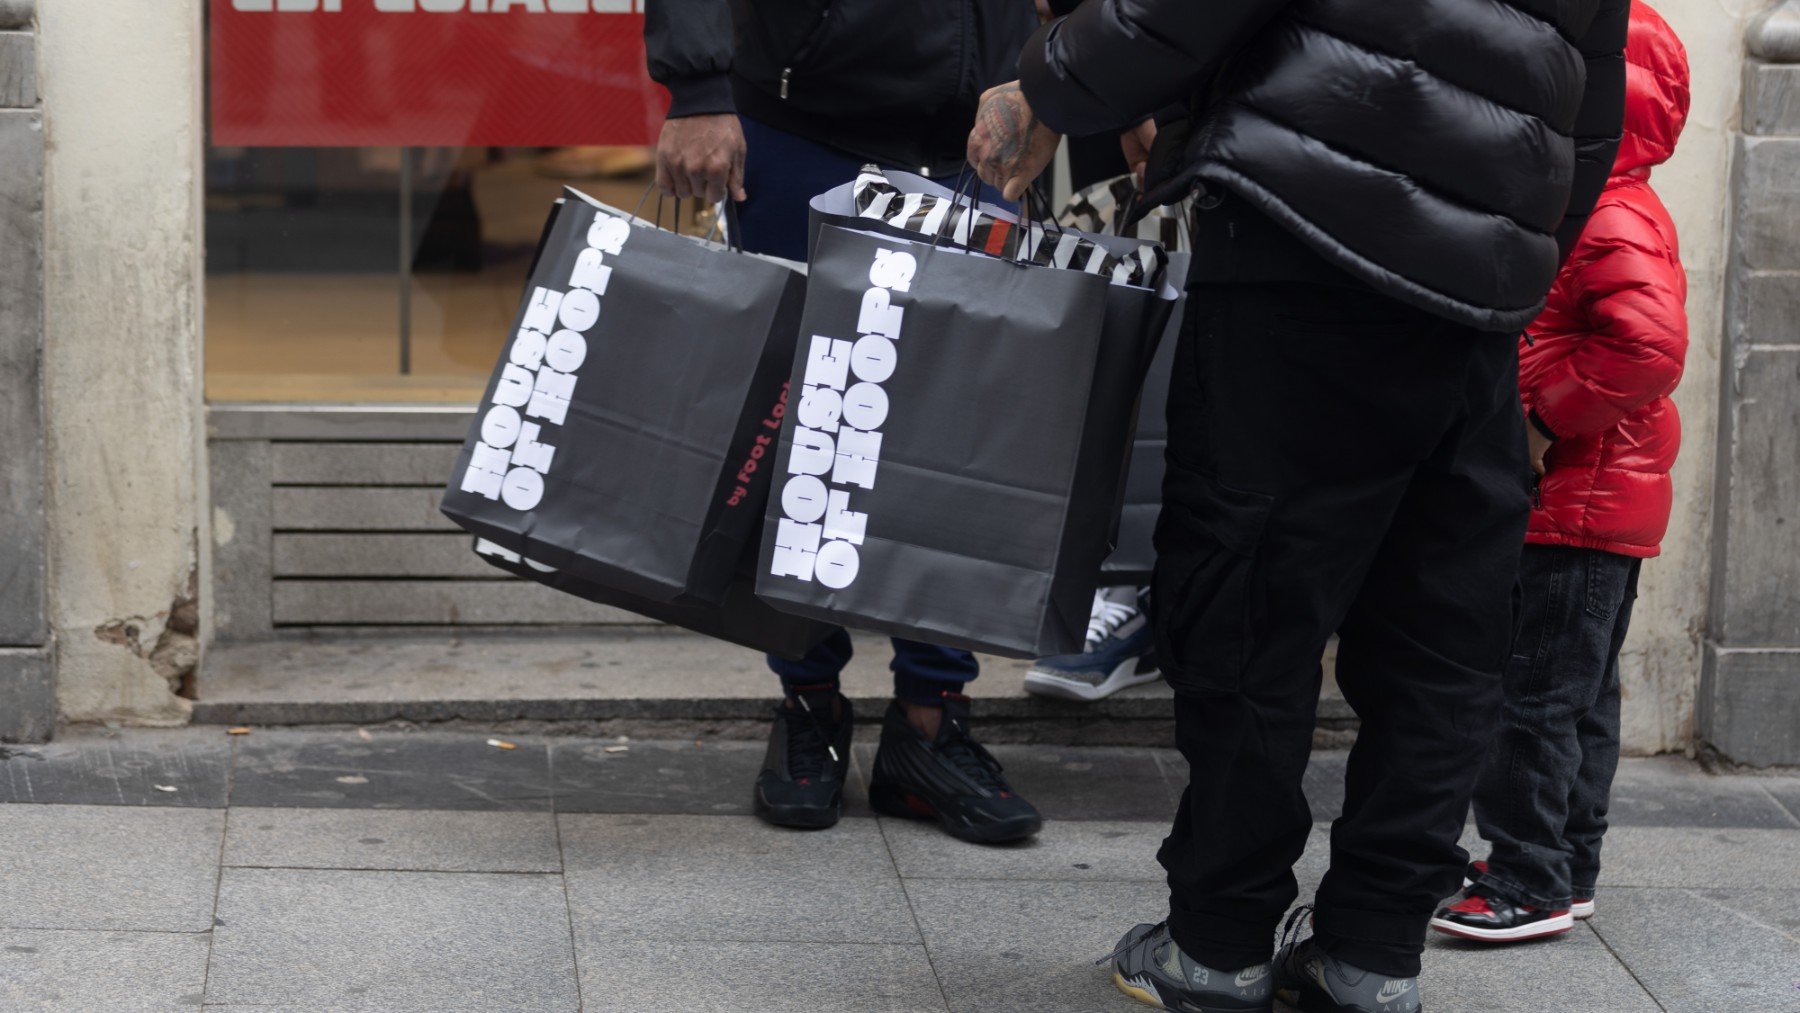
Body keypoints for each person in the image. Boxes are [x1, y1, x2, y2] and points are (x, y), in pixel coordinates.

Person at [969, 1, 1627, 1010]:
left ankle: (1220, 939)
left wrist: (1047, 80)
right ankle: (1373, 950)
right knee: (1440, 637)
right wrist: (1494, 252)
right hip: (1474, 292)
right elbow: (1591, 108)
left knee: (1246, 603)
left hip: (1303, 241)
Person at [642, 0, 1045, 844]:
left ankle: (931, 724)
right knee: (807, 423)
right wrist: (699, 87)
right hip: (805, 115)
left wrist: (1079, 76)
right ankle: (807, 703)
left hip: (984, 118)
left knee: (959, 435)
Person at [1431, 0, 1690, 944]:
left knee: (1535, 700)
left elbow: (1651, 347)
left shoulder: (1608, 209)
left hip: (1575, 497)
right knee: (1579, 701)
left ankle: (1527, 878)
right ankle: (1567, 865)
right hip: (1597, 504)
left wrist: (1542, 418)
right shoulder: (1609, 202)